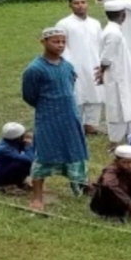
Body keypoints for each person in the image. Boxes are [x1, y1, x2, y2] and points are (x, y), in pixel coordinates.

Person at [22, 27, 91, 211]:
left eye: (62, 41)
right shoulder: (35, 69)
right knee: (44, 153)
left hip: (70, 116)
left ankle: (81, 184)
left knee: (76, 150)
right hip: (48, 118)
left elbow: (70, 86)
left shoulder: (67, 66)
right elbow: (29, 96)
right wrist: (48, 106)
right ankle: (37, 197)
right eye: (55, 41)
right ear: (43, 42)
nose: (60, 45)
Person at [56, 0, 104, 135]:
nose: (80, 5)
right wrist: (69, 65)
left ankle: (91, 125)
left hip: (94, 62)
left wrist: (102, 62)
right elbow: (62, 45)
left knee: (96, 93)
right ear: (70, 5)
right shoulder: (64, 24)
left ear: (87, 4)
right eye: (76, 3)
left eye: (83, 2)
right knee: (77, 94)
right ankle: (75, 125)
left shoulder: (95, 23)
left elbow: (100, 44)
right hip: (74, 64)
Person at [97, 1, 131, 146]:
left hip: (123, 72)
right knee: (118, 106)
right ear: (123, 15)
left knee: (128, 104)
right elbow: (106, 57)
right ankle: (116, 141)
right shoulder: (113, 33)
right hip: (118, 75)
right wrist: (101, 72)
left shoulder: (113, 30)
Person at [0, 122, 34, 192]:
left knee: (23, 163)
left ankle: (18, 182)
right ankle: (8, 186)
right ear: (18, 137)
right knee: (22, 164)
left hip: (4, 169)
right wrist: (28, 147)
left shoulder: (13, 142)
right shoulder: (5, 149)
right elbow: (29, 159)